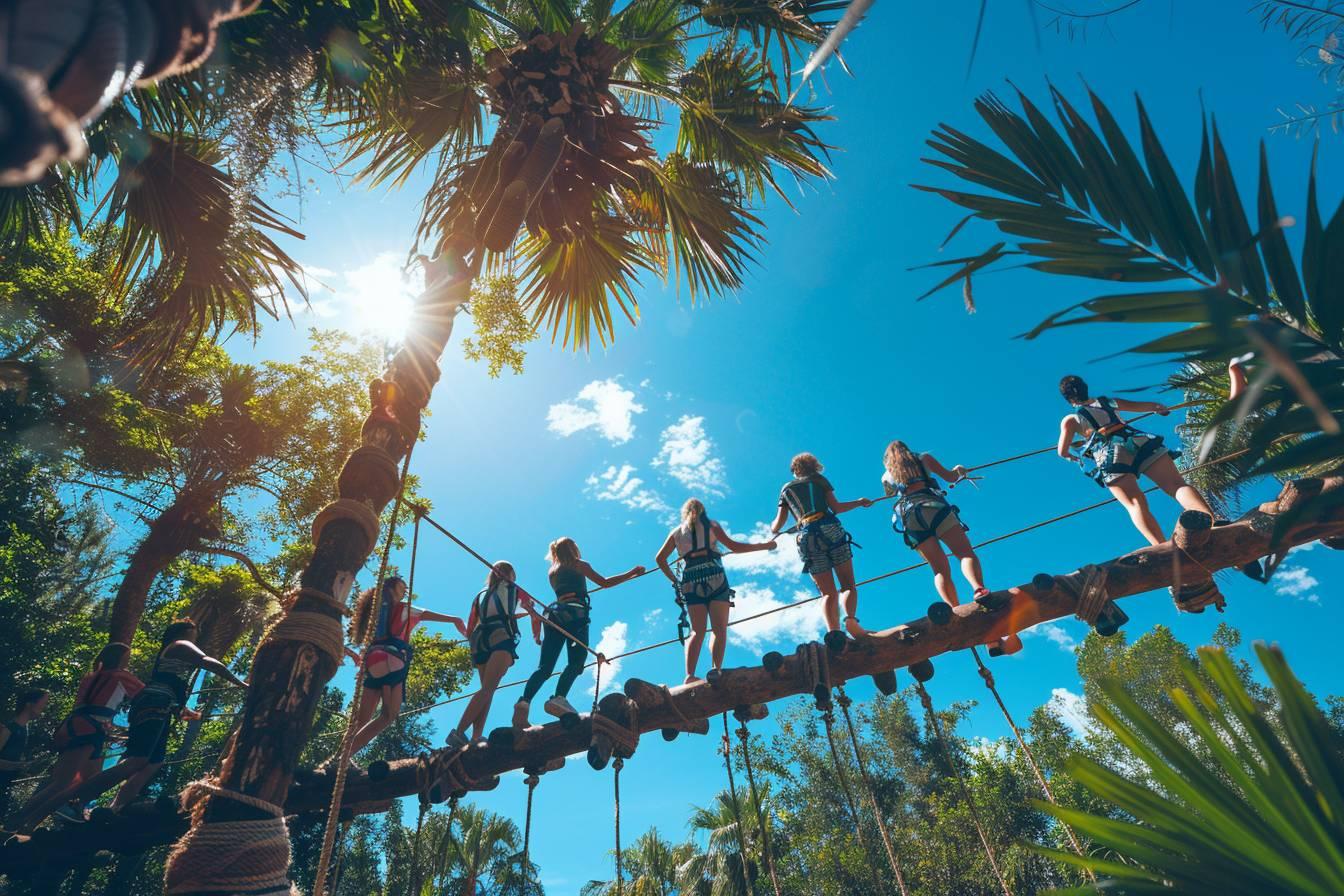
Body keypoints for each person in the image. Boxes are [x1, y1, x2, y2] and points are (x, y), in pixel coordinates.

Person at [17, 621, 246, 829]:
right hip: (154, 702)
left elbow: (168, 682)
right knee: (138, 760)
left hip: (161, 704)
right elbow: (205, 662)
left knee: (153, 762)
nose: (195, 639)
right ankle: (74, 802)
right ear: (184, 633)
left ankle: (115, 808)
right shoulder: (179, 643)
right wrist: (241, 683)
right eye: (194, 634)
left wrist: (181, 710)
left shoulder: (171, 656)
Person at [881, 441, 1021, 656]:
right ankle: (979, 589)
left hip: (910, 516)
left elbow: (890, 493)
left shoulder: (887, 475)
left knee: (939, 569)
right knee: (964, 553)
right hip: (932, 505)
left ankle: (954, 610)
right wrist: (959, 470)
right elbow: (950, 477)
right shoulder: (924, 458)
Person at [1057, 375, 1215, 546]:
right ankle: (1211, 522)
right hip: (1137, 441)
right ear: (1085, 388)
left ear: (1069, 399)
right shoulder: (1108, 402)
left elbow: (1062, 451)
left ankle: (1161, 547)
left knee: (1135, 503)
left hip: (1110, 454)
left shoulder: (1071, 420)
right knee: (1176, 485)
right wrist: (1158, 408)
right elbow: (1144, 406)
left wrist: (1070, 456)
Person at [513, 539, 644, 728]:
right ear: (573, 549)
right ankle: (559, 697)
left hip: (553, 615)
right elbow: (604, 582)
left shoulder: (552, 572)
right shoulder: (579, 564)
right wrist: (631, 573)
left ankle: (524, 701)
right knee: (577, 661)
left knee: (545, 667)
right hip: (575, 614)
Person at [14, 644, 143, 827]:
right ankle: (19, 821)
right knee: (63, 783)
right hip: (88, 731)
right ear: (121, 658)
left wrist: (109, 730)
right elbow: (146, 694)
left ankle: (43, 818)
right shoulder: (120, 676)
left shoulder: (90, 677)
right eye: (127, 657)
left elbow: (92, 708)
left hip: (80, 728)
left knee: (88, 781)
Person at [655, 499, 777, 684]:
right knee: (719, 630)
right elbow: (735, 547)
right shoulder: (711, 525)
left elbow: (660, 559)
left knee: (697, 631)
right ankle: (716, 670)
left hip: (690, 579)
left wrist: (675, 580)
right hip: (714, 575)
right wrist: (764, 545)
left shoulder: (677, 532)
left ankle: (689, 675)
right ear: (702, 511)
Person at [344, 576, 467, 760]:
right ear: (393, 587)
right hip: (392, 661)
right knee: (388, 715)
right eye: (402, 588)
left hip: (372, 661)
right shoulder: (403, 609)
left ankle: (339, 758)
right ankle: (346, 756)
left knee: (361, 721)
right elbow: (426, 614)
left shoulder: (374, 609)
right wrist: (455, 620)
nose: (404, 593)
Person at [767, 453, 872, 645]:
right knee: (848, 585)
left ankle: (834, 633)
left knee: (827, 593)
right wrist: (859, 502)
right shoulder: (819, 480)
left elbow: (778, 524)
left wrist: (773, 529)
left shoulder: (787, 489)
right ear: (814, 466)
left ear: (795, 470)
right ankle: (849, 620)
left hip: (807, 537)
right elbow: (837, 508)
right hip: (829, 528)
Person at [445, 562, 540, 749]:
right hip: (500, 636)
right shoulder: (513, 588)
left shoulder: (480, 595)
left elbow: (470, 626)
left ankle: (476, 737)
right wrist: (537, 635)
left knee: (487, 690)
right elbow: (533, 612)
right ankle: (458, 733)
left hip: (479, 641)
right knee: (488, 689)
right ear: (510, 575)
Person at [0, 689, 49, 822]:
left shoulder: (25, 729)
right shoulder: (9, 729)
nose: (43, 708)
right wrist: (18, 765)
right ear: (29, 704)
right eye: (42, 703)